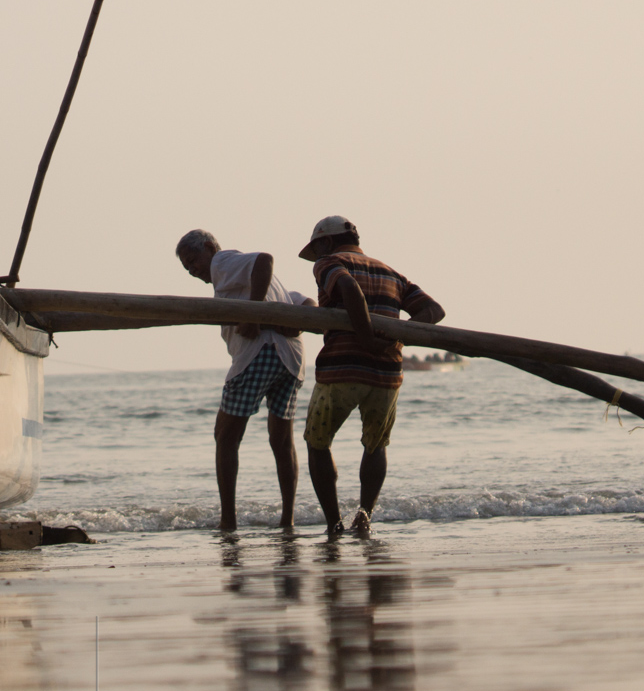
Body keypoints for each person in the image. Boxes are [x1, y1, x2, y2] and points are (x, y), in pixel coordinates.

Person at [297, 215, 444, 536]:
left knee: (317, 443)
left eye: (318, 248)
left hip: (342, 366)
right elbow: (433, 310)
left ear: (325, 242)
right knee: (375, 445)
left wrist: (364, 336)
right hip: (387, 371)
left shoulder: (328, 263)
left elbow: (347, 286)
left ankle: (334, 524)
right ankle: (364, 515)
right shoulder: (390, 272)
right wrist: (392, 338)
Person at [175, 229, 313, 532]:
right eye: (187, 267)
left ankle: (228, 522)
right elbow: (307, 304)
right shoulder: (247, 283)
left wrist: (251, 316)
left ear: (210, 248)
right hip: (291, 360)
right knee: (281, 440)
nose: (193, 269)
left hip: (259, 355)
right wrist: (294, 327)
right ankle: (287, 520)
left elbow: (264, 259)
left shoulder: (222, 263)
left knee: (225, 436)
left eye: (193, 260)